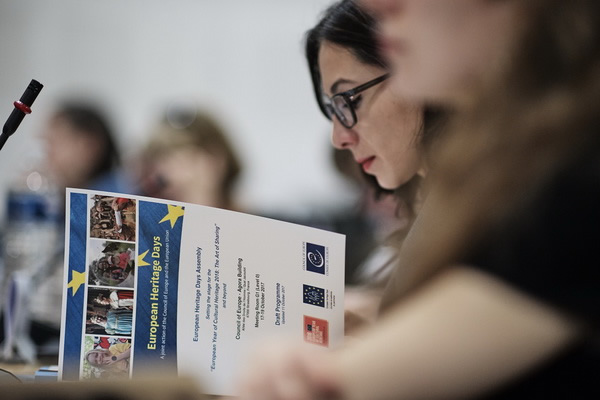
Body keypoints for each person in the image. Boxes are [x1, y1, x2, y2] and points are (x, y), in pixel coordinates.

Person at [236, 0, 600, 398]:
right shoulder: (501, 175)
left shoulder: (572, 173)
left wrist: (308, 373)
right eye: (332, 109)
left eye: (347, 101)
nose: (378, 5)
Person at [304, 0, 445, 331]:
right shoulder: (438, 204)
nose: (338, 138)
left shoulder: (497, 199)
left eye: (349, 100)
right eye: (332, 110)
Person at [135, 108, 242, 211]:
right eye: (160, 158)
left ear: (216, 160)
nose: (167, 172)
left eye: (179, 161)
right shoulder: (148, 215)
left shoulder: (248, 219)